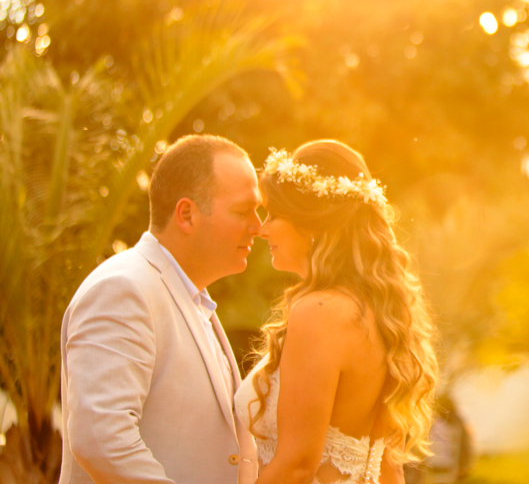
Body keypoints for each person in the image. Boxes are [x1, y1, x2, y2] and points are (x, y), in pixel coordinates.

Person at [59, 134, 262, 484]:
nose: (257, 227)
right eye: (243, 211)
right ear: (186, 215)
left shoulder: (193, 297)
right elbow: (100, 438)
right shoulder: (123, 289)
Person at [234, 140, 438, 484]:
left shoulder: (319, 313)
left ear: (312, 224)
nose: (263, 228)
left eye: (274, 214)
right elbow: (390, 470)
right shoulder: (382, 313)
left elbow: (297, 464)